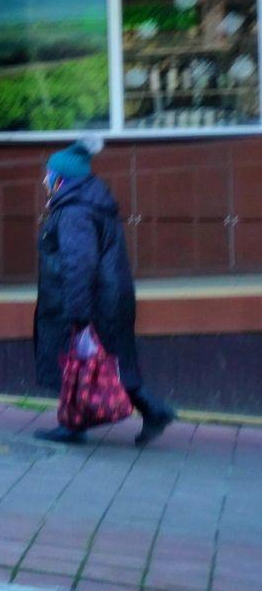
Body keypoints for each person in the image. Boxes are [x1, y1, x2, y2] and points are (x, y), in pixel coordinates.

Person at [33, 136, 175, 446]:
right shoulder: (89, 203)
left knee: (85, 361)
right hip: (108, 297)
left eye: (49, 174)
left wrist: (78, 314)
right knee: (107, 361)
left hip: (91, 300)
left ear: (61, 179)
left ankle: (76, 425)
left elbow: (79, 263)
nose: (45, 180)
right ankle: (152, 412)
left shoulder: (74, 212)